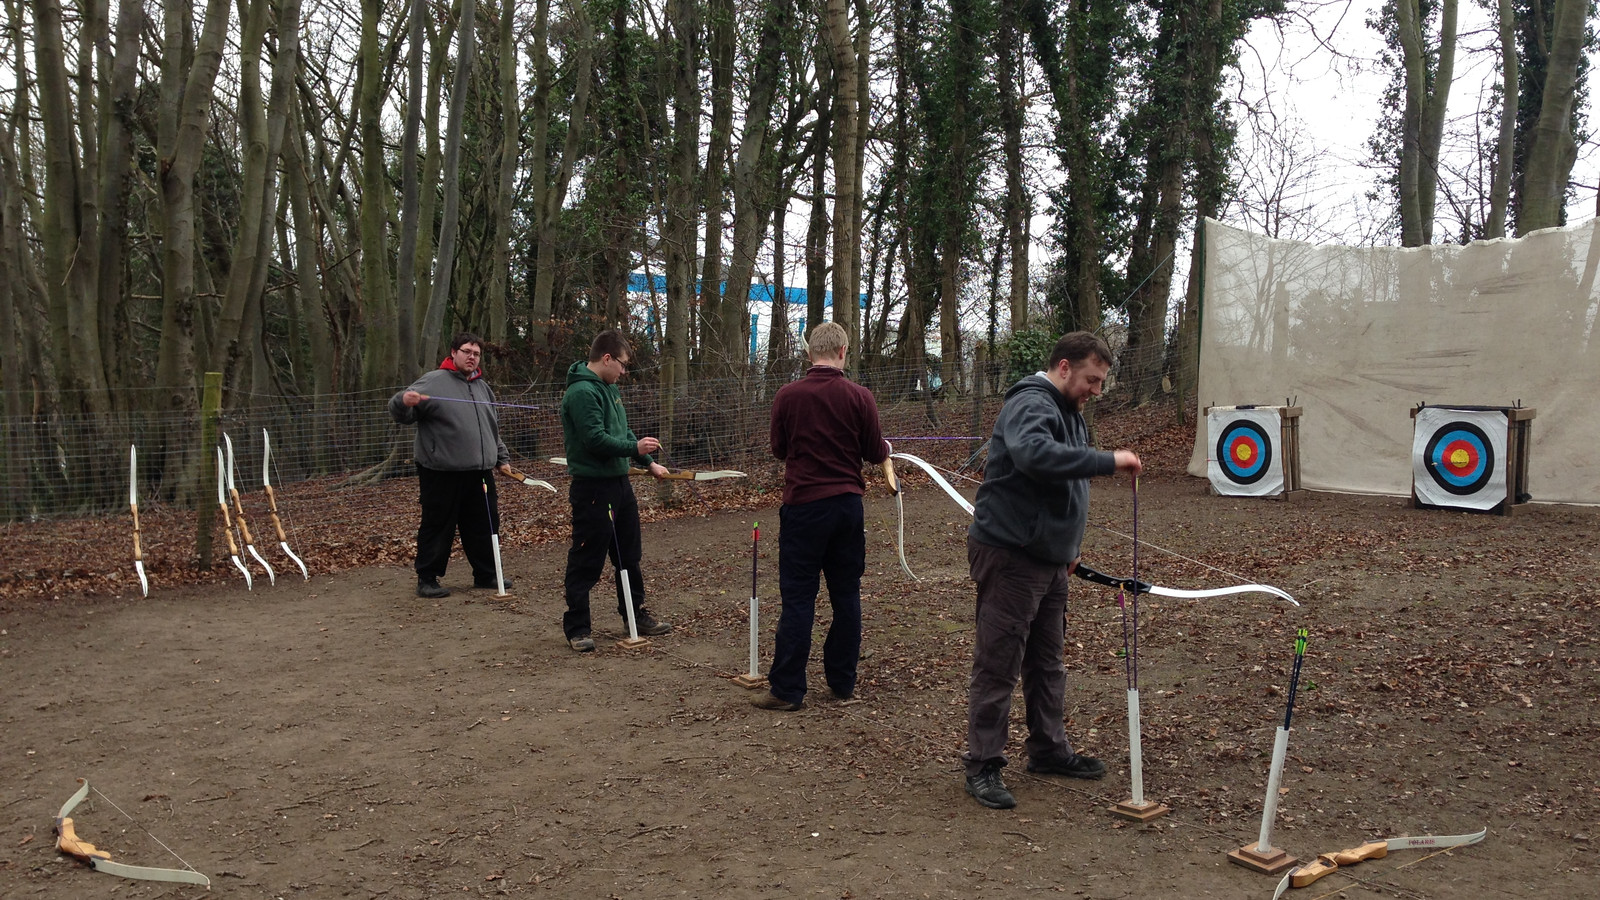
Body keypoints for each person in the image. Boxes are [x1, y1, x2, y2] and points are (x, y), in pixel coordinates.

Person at [961, 331, 1142, 810]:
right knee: (998, 663)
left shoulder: (1070, 412)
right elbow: (1035, 456)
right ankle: (982, 764)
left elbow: (1067, 489)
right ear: (1064, 367)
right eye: (1091, 380)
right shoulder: (1031, 402)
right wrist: (1110, 461)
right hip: (1011, 555)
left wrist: (1069, 547)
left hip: (1049, 558)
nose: (1096, 391)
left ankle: (1048, 749)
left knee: (1047, 663)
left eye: (1101, 382)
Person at [754, 322, 890, 711]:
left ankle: (787, 690)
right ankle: (842, 680)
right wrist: (884, 447)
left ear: (810, 353)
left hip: (803, 508)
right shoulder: (860, 396)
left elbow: (779, 449)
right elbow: (873, 449)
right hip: (846, 506)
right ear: (843, 352)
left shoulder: (788, 396)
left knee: (798, 598)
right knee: (846, 593)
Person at [559, 330, 673, 652]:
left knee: (629, 555)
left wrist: (648, 461)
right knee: (587, 558)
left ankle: (634, 615)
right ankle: (578, 627)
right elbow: (595, 440)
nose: (624, 372)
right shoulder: (582, 392)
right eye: (622, 365)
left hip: (620, 484)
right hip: (593, 487)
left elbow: (623, 432)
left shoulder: (609, 389)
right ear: (606, 358)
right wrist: (633, 447)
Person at [389, 333, 515, 599]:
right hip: (441, 471)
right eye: (467, 351)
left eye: (477, 354)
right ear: (453, 353)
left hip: (479, 472)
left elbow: (491, 428)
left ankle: (486, 574)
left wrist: (501, 458)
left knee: (485, 525)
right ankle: (427, 578)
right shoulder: (433, 381)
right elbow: (402, 410)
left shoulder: (482, 387)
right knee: (437, 526)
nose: (472, 357)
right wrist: (404, 402)